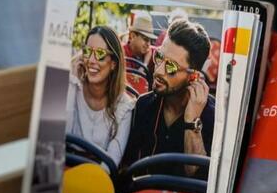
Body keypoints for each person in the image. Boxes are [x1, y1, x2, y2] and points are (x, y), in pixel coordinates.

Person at [122, 18, 214, 178]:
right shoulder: (143, 105)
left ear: (193, 76)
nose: (158, 70)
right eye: (158, 57)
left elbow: (197, 176)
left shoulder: (212, 116)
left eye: (171, 67)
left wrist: (192, 121)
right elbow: (127, 168)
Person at [67, 25, 134, 168]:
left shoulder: (124, 106)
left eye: (100, 54)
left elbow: (111, 162)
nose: (91, 60)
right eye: (87, 52)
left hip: (98, 175)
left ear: (113, 64)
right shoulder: (72, 86)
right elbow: (59, 139)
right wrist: (72, 80)